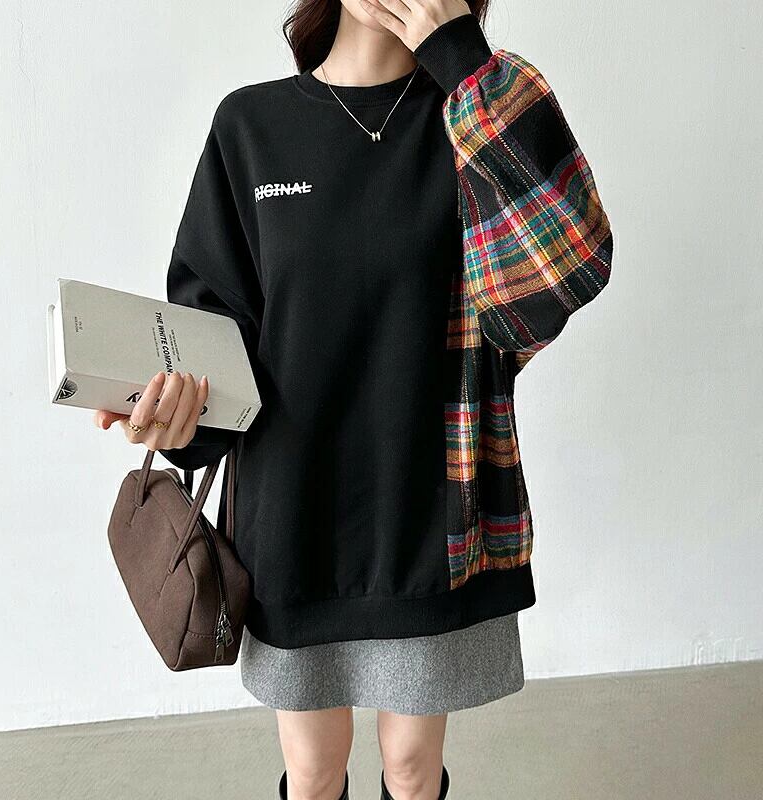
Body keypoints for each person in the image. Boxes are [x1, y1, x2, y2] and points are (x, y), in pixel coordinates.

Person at [95, 1, 613, 798]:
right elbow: (216, 336)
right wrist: (176, 417)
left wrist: (459, 56)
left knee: (411, 770)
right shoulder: (251, 126)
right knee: (312, 773)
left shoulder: (480, 111)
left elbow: (562, 273)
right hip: (293, 524)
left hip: (434, 522)